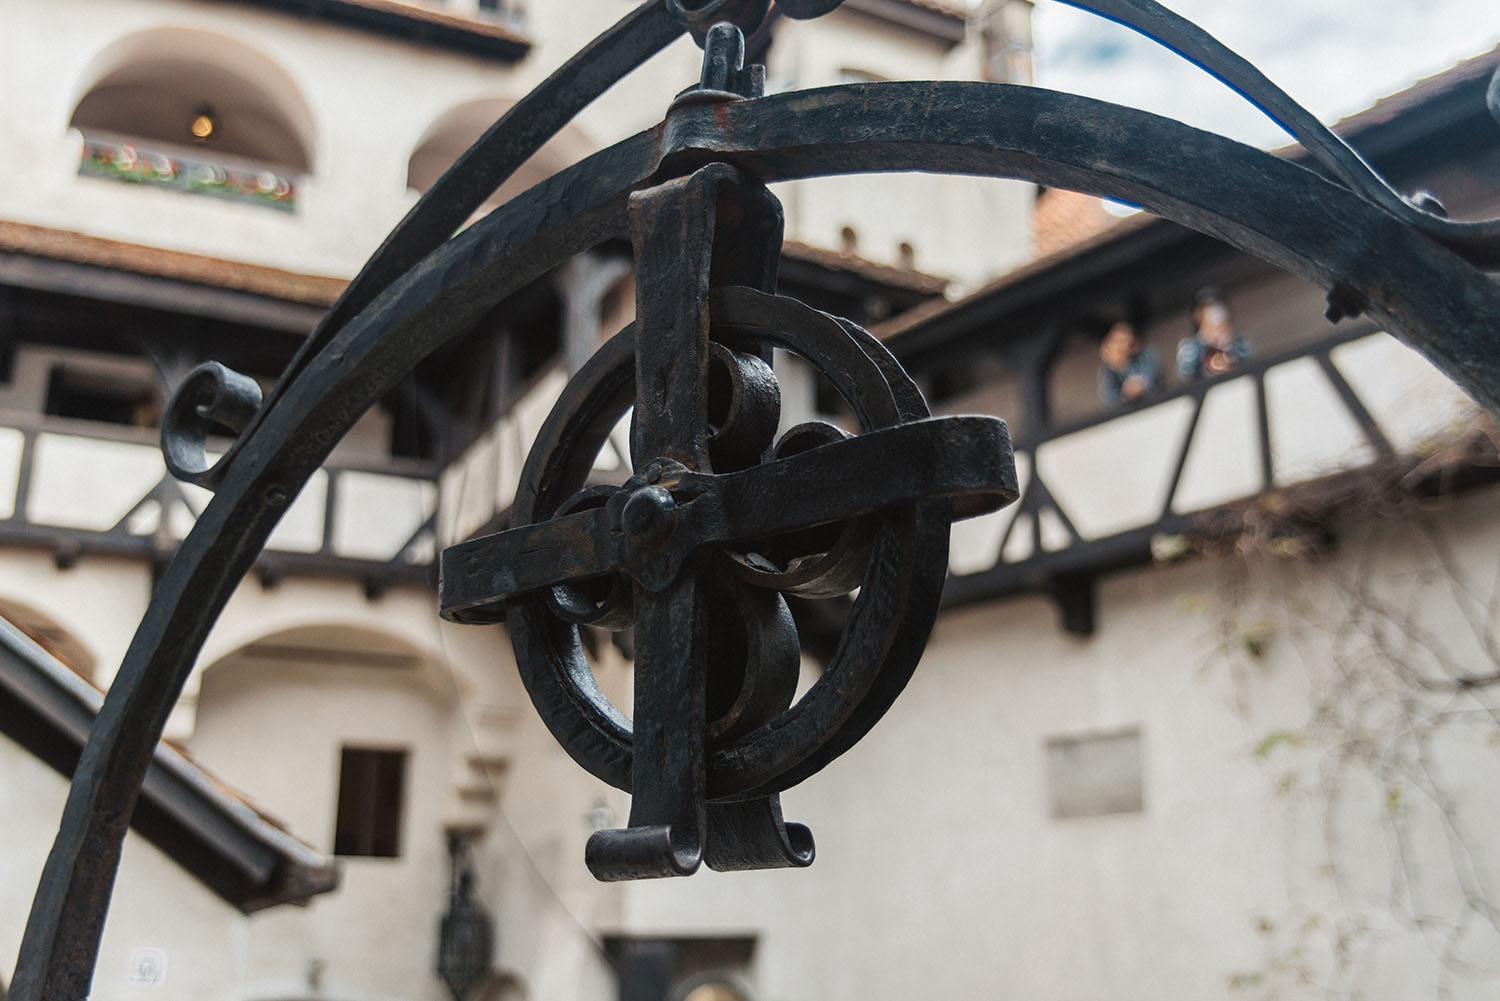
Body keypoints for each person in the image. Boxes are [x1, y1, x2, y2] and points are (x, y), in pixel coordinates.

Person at [1177, 286, 1250, 379]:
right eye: (1207, 309)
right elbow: (1185, 374)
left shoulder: (1238, 338)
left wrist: (1229, 344)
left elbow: (1248, 362)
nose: (1215, 314)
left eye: (1217, 308)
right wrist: (1205, 341)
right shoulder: (1189, 344)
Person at [1098, 319, 1162, 406]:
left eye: (1123, 341)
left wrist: (1123, 367)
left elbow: (1152, 382)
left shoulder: (1146, 355)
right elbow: (1108, 399)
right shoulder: (1108, 367)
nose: (1121, 346)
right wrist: (1125, 394)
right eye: (1117, 342)